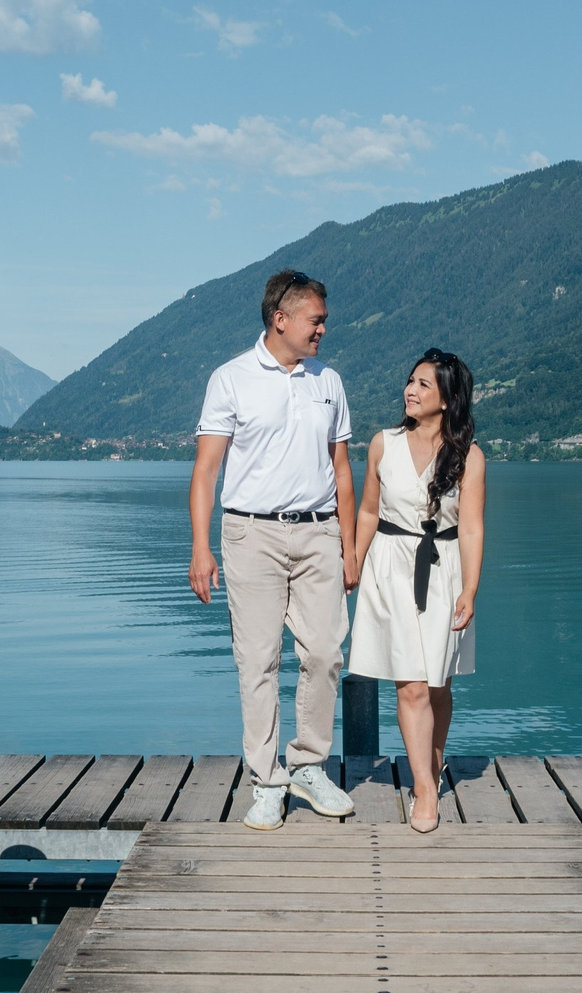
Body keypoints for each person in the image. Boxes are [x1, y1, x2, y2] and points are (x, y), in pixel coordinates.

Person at [189, 270, 363, 831]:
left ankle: (308, 766)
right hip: (251, 535)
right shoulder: (231, 379)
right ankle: (267, 782)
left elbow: (341, 469)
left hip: (319, 532)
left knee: (325, 653)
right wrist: (200, 547)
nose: (323, 330)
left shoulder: (329, 381)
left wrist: (350, 546)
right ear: (280, 319)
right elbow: (207, 470)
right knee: (259, 661)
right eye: (316, 320)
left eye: (324, 321)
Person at [345, 349, 485, 833]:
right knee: (411, 684)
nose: (411, 390)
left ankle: (433, 762)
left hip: (443, 571)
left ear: (447, 399)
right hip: (390, 568)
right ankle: (424, 787)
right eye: (410, 381)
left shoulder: (469, 457)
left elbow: (471, 527)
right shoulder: (382, 444)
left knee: (439, 683)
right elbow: (368, 510)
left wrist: (470, 588)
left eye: (424, 384)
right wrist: (353, 562)